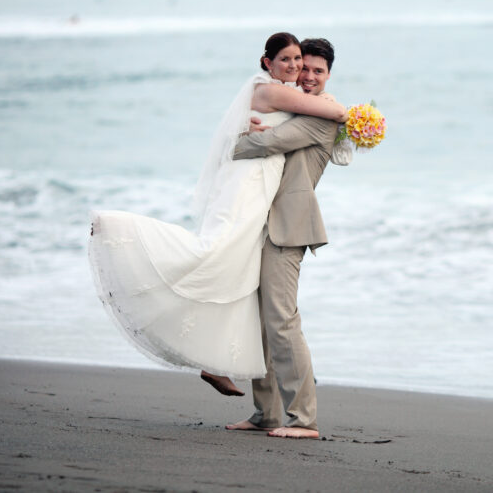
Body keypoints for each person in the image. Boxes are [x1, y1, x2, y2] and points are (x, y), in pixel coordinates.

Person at [88, 32, 346, 394]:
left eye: (303, 64)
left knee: (234, 271)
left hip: (265, 194)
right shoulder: (271, 90)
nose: (299, 70)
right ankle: (118, 227)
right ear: (267, 62)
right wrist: (353, 115)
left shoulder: (290, 96)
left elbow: (299, 126)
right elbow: (329, 115)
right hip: (249, 185)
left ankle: (216, 364)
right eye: (289, 61)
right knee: (215, 253)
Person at [224, 37, 342, 439]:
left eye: (317, 71)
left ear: (328, 75)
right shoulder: (292, 106)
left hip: (288, 227)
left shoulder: (323, 116)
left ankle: (304, 418)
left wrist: (235, 140)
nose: (307, 76)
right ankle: (267, 412)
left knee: (282, 320)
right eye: (303, 68)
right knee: (260, 323)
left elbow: (268, 143)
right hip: (259, 221)